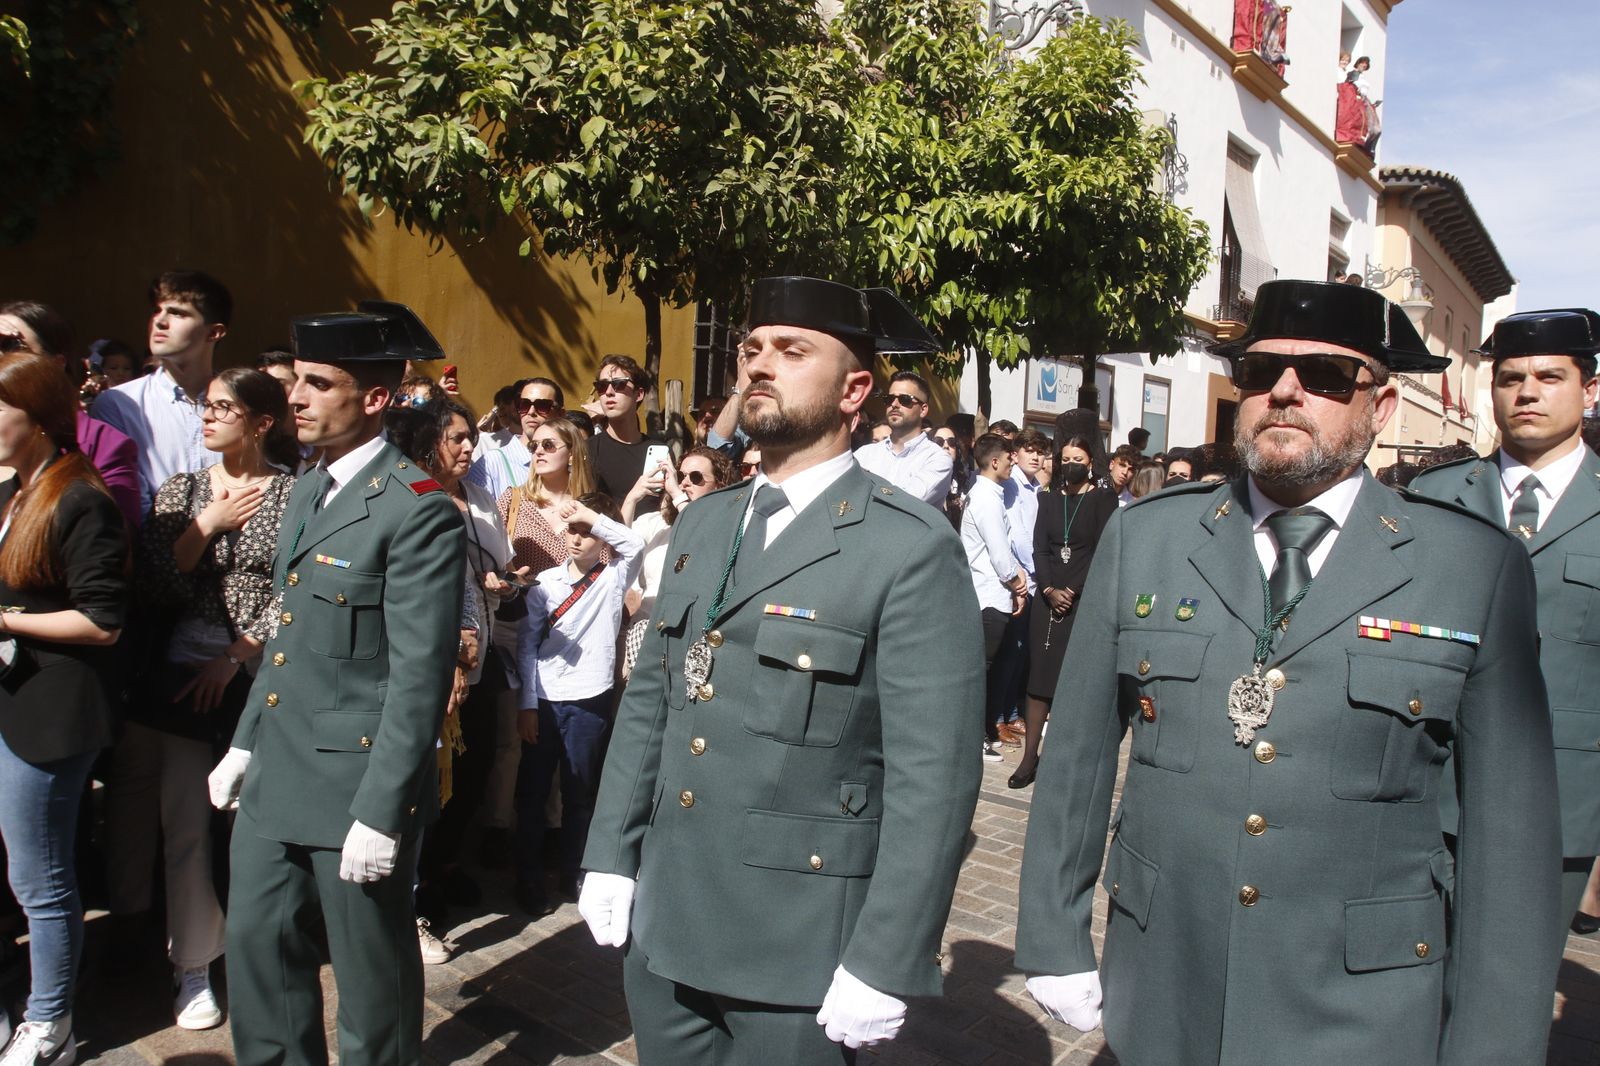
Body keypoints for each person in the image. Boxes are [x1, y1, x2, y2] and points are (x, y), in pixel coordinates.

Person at [1016, 279, 1564, 1064]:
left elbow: (1509, 844)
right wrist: (1052, 932)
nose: (1283, 391)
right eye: (1259, 371)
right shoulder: (1150, 538)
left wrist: (1492, 1045)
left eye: (1326, 377)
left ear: (1381, 409)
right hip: (1168, 978)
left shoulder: (1471, 566)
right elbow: (1074, 756)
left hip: (1360, 1007)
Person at [577, 276, 983, 1061]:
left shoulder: (907, 548)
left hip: (799, 946)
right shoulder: (705, 521)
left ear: (854, 389)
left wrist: (887, 955)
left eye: (793, 352)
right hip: (668, 919)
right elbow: (654, 701)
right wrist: (609, 854)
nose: (760, 365)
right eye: (752, 349)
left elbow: (934, 777)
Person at [205, 302, 465, 1066]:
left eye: (319, 383)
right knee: (256, 946)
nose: (296, 396)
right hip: (280, 765)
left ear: (375, 398)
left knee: (371, 971)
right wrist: (245, 742)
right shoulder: (311, 490)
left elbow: (420, 678)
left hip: (356, 783)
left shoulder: (417, 511)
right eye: (299, 380)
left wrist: (384, 810)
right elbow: (288, 638)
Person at [1410, 307, 1600, 941]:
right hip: (1427, 794)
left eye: (1550, 377)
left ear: (1590, 389)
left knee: (1511, 997)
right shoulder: (1433, 498)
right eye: (1510, 378)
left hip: (1564, 805)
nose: (1526, 393)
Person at [122, 368, 298, 1029]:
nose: (209, 417)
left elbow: (297, 590)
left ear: (261, 422)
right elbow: (157, 584)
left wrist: (236, 655)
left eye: (225, 407)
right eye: (207, 406)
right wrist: (208, 521)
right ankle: (192, 965)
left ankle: (259, 950)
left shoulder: (292, 494)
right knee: (188, 825)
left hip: (257, 675)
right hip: (180, 680)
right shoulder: (184, 490)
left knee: (254, 826)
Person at [0, 354, 129, 1066]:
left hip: (53, 718)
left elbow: (103, 622)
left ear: (42, 418)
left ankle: (51, 1024)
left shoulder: (79, 499)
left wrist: (8, 622)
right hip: (12, 703)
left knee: (41, 879)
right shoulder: (14, 492)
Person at [387, 397, 513, 953]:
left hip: (481, 662)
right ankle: (415, 901)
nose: (467, 447)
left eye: (471, 438)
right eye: (455, 438)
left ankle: (444, 869)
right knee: (430, 788)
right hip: (436, 669)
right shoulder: (414, 497)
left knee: (471, 772)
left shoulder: (481, 499)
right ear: (427, 442)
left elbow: (497, 566)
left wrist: (504, 585)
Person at [513, 493, 644, 915]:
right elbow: (527, 646)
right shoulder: (545, 584)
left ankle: (574, 872)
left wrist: (593, 517)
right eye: (570, 529)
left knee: (580, 794)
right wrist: (527, 705)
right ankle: (528, 878)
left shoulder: (613, 578)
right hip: (547, 701)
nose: (576, 538)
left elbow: (634, 545)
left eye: (585, 532)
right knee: (532, 795)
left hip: (590, 700)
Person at [484, 414, 596, 873]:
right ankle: (496, 826)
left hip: (569, 636)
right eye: (535, 445)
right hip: (514, 627)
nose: (538, 450)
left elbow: (604, 565)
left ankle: (551, 828)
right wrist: (504, 583)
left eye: (550, 444)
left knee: (554, 737)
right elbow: (492, 559)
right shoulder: (511, 501)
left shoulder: (587, 507)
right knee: (512, 737)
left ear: (573, 452)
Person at [1010, 435, 1116, 789]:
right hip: (1049, 598)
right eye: (1065, 457)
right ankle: (1029, 758)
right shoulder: (1049, 499)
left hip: (1083, 598)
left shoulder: (1103, 499)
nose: (1070, 464)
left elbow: (1104, 550)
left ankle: (1065, 760)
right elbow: (1040, 548)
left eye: (1078, 458)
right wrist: (1051, 589)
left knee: (1074, 680)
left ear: (1090, 462)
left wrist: (1072, 590)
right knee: (1039, 680)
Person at [91, 270, 232, 514]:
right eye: (157, 310)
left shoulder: (241, 403)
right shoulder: (119, 403)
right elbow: (125, 499)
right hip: (152, 547)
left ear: (214, 332)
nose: (160, 321)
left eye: (177, 313)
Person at [0, 302, 142, 531]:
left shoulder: (102, 443)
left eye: (13, 346)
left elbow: (111, 540)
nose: (3, 359)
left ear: (56, 363)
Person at [619, 445, 734, 679]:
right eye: (680, 476)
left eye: (696, 477)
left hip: (690, 641)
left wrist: (677, 496)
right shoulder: (655, 523)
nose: (684, 483)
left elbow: (702, 537)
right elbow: (615, 547)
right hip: (645, 636)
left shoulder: (726, 526)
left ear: (720, 485)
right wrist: (632, 497)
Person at [853, 371, 952, 506]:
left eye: (904, 399)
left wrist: (866, 488)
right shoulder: (865, 453)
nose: (894, 404)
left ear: (923, 410)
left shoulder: (937, 458)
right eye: (889, 399)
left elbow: (905, 503)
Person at [468, 377, 564, 505]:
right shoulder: (490, 465)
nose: (531, 412)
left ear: (561, 414)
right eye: (523, 404)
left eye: (542, 406)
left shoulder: (569, 462)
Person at [586, 354, 663, 513]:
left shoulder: (659, 452)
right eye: (601, 386)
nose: (608, 392)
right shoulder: (588, 449)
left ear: (639, 394)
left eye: (619, 384)